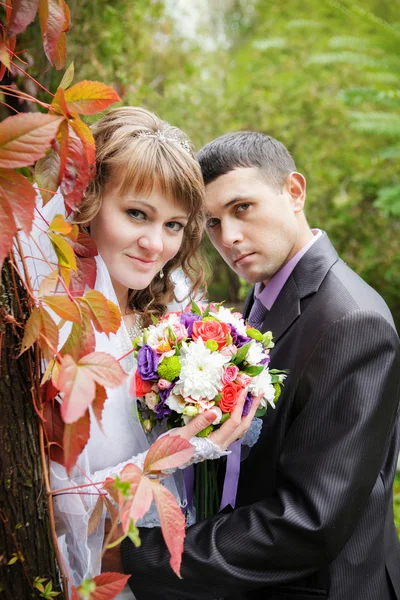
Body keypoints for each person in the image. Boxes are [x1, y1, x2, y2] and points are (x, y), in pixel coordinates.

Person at [116, 131, 400, 600]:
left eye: (242, 208)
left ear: (294, 192)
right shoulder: (265, 296)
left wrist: (139, 556)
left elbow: (310, 523)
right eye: (211, 222)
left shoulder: (354, 322)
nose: (228, 237)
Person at [20, 111, 261, 598]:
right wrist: (175, 455)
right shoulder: (57, 331)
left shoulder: (173, 303)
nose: (156, 245)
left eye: (174, 224)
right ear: (88, 201)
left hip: (170, 566)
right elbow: (57, 503)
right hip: (96, 574)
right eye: (136, 214)